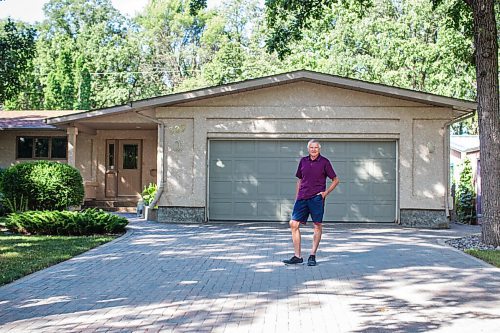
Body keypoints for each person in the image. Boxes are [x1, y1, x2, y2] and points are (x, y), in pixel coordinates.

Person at [283, 139, 339, 266]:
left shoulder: (325, 162)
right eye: (311, 147)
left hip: (316, 198)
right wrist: (297, 197)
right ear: (308, 149)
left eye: (316, 147)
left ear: (319, 149)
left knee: (317, 225)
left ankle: (312, 255)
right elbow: (300, 180)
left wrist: (325, 193)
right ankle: (297, 256)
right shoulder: (303, 161)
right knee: (293, 224)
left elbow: (336, 180)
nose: (313, 149)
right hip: (302, 197)